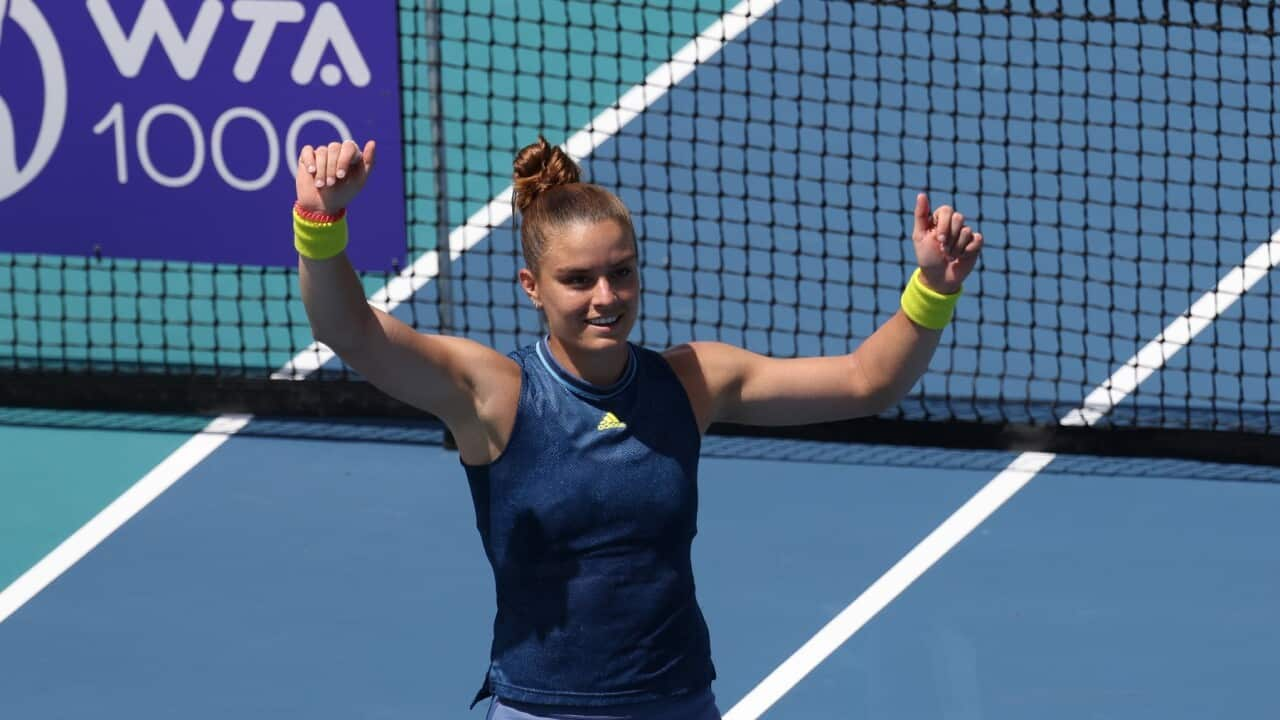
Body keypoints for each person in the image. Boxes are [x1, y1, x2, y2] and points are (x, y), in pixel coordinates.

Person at [292, 136, 983, 719]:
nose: (606, 298)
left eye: (621, 274)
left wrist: (934, 288)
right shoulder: (493, 395)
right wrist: (321, 223)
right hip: (543, 709)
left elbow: (869, 380)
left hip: (675, 701)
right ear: (532, 286)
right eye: (579, 279)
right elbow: (348, 330)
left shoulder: (691, 383)